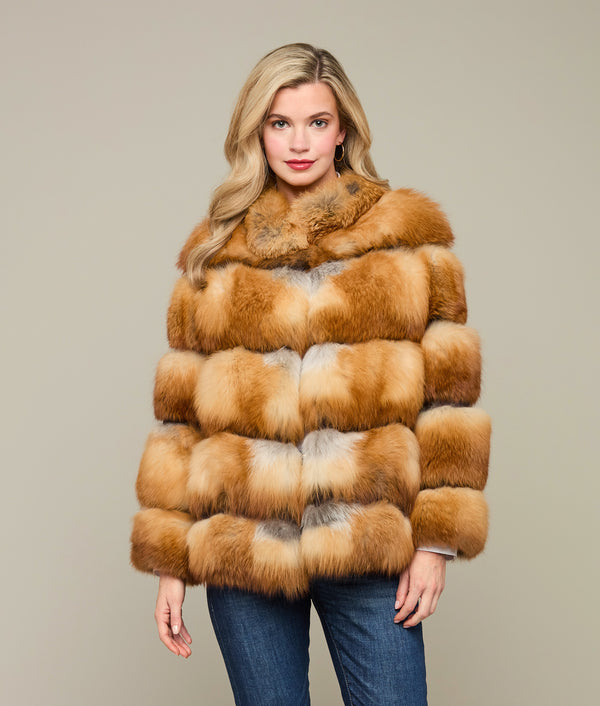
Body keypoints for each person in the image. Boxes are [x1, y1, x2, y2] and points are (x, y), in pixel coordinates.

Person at [130, 43, 491, 706]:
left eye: (317, 122)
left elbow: (450, 402)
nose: (299, 143)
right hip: (245, 548)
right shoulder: (216, 250)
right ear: (256, 132)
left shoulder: (408, 238)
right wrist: (170, 562)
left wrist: (436, 542)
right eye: (280, 123)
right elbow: (178, 421)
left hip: (369, 543)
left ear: (343, 130)